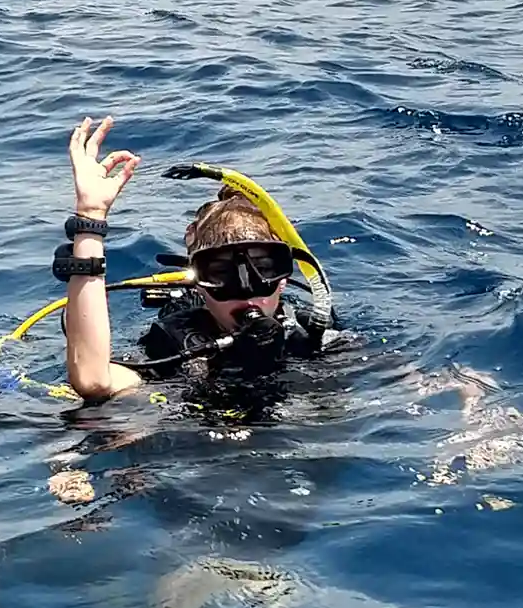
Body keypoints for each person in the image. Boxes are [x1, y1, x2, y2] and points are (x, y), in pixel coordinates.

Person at [50, 116, 339, 404]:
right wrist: (91, 216)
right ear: (198, 282)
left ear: (283, 277)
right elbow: (93, 381)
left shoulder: (311, 337)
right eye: (221, 272)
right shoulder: (176, 344)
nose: (245, 288)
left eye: (263, 269)